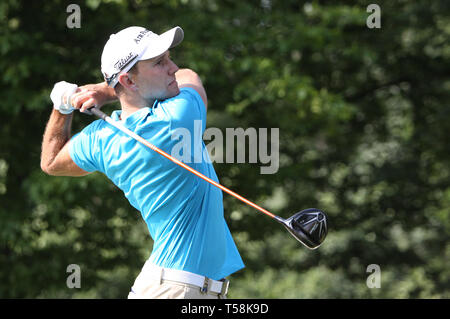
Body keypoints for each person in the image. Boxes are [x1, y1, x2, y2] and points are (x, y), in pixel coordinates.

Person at [41, 26, 245, 299]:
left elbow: (51, 161)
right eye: (160, 63)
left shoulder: (101, 138)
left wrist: (61, 108)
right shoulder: (176, 117)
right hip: (177, 289)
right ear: (129, 81)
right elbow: (189, 75)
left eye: (169, 58)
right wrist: (104, 90)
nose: (172, 67)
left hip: (171, 286)